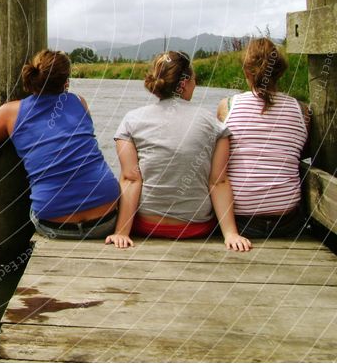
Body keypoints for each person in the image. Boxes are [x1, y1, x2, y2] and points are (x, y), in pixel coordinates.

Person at [105, 51, 251, 251]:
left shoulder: (131, 120)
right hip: (196, 227)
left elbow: (131, 178)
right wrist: (231, 234)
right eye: (193, 79)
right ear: (184, 83)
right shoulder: (212, 123)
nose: (195, 84)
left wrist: (121, 232)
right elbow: (218, 181)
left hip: (145, 225)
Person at [0, 49, 120, 240]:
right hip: (105, 220)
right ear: (66, 80)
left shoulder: (10, 113)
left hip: (56, 226)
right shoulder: (78, 102)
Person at [216, 38, 310, 238]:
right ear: (281, 71)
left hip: (241, 222)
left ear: (246, 71)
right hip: (287, 220)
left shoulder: (228, 106)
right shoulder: (301, 110)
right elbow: (300, 151)